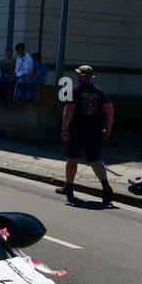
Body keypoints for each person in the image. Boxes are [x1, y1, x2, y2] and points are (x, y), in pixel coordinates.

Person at [57, 64, 115, 205]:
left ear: (79, 76)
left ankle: (69, 188)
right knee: (95, 160)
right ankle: (106, 188)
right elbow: (110, 110)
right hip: (94, 131)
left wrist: (64, 129)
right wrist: (108, 129)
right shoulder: (99, 93)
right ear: (90, 77)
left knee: (72, 158)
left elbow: (69, 110)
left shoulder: (75, 91)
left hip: (76, 131)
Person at [11, 43, 33, 107]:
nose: (18, 52)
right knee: (6, 80)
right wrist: (13, 76)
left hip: (26, 76)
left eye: (19, 50)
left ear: (23, 50)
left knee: (19, 82)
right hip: (19, 75)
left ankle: (18, 99)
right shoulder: (18, 58)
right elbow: (16, 70)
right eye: (17, 50)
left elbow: (26, 73)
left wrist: (16, 78)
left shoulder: (28, 59)